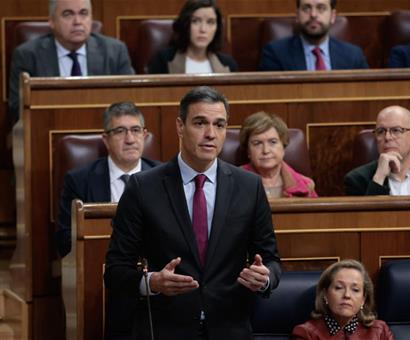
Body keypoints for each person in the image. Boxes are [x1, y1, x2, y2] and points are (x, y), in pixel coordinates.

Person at [104, 86, 281, 339]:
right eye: (200, 123)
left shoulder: (249, 186)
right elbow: (115, 270)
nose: (210, 134)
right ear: (180, 126)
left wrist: (264, 278)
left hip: (229, 329)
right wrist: (152, 283)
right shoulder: (143, 188)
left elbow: (272, 260)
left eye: (219, 125)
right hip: (166, 329)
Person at [55, 101, 159, 338]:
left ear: (145, 135)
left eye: (135, 130)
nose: (129, 139)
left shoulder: (164, 177)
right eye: (120, 131)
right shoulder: (79, 180)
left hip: (154, 282)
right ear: (105, 139)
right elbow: (64, 240)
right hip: (99, 284)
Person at [8, 0, 134, 125]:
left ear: (91, 18)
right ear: (51, 21)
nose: (78, 22)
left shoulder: (115, 52)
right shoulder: (27, 55)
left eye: (83, 13)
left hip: (102, 130)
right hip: (49, 130)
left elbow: (130, 101)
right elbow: (17, 109)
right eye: (68, 14)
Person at [292, 259, 394, 340]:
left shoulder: (380, 331)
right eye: (339, 288)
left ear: (363, 299)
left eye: (355, 289)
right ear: (325, 295)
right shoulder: (307, 334)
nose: (347, 295)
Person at [259, 0, 368, 71]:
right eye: (307, 8)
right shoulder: (275, 54)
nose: (313, 15)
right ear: (297, 15)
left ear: (333, 16)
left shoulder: (353, 56)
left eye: (321, 8)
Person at [239, 111, 318, 198]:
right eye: (257, 143)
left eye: (273, 142)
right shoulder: (232, 183)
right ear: (248, 151)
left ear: (283, 147)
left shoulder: (306, 186)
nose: (266, 150)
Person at [148, 0, 238, 74]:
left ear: (217, 28)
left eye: (210, 22)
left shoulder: (228, 64)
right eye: (196, 21)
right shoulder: (163, 60)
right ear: (185, 24)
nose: (203, 29)